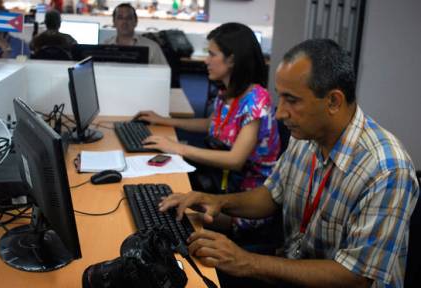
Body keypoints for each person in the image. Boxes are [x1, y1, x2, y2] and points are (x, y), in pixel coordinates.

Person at [158, 39, 420, 287]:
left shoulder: (387, 169)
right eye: (280, 97)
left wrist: (246, 262)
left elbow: (355, 277)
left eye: (291, 100)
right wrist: (218, 201)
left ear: (333, 101)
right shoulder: (306, 135)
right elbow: (271, 195)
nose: (280, 113)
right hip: (293, 266)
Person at [136, 22, 281, 244]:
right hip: (219, 183)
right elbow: (213, 124)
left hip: (244, 204)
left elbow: (235, 160)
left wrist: (178, 147)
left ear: (232, 59)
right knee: (163, 203)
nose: (206, 60)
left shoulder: (256, 99)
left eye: (212, 54)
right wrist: (163, 120)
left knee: (169, 216)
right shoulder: (229, 92)